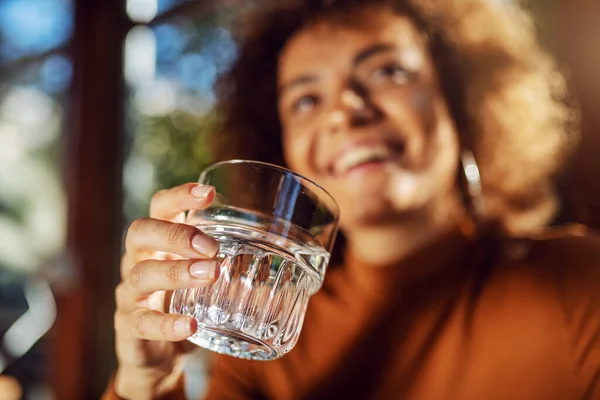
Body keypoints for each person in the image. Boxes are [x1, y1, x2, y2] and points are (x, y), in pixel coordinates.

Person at [104, 0, 600, 398]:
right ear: (285, 152)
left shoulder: (578, 280)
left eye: (387, 71)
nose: (345, 111)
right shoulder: (263, 328)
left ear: (463, 104)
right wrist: (145, 385)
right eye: (306, 100)